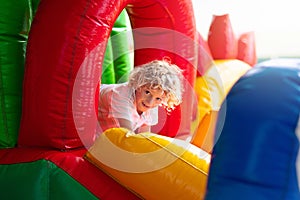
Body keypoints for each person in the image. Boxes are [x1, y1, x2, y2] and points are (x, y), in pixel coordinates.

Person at [98, 59, 184, 134]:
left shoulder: (153, 103)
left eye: (158, 98)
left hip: (104, 132)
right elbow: (127, 136)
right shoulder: (121, 95)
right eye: (147, 92)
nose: (149, 102)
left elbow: (144, 136)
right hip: (90, 126)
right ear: (138, 84)